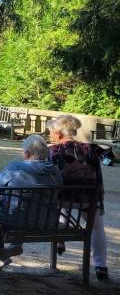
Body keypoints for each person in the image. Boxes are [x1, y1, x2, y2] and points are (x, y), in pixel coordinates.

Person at [47, 115, 109, 281]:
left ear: (59, 133)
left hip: (64, 199)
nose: (50, 135)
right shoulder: (90, 149)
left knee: (60, 200)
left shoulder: (54, 151)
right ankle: (101, 265)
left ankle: (60, 238)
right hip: (89, 199)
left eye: (51, 132)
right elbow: (99, 176)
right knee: (97, 226)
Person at [0, 134, 63, 267]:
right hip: (46, 221)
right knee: (25, 206)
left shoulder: (14, 168)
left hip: (13, 221)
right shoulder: (55, 171)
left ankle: (2, 249)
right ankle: (15, 245)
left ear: (27, 153)